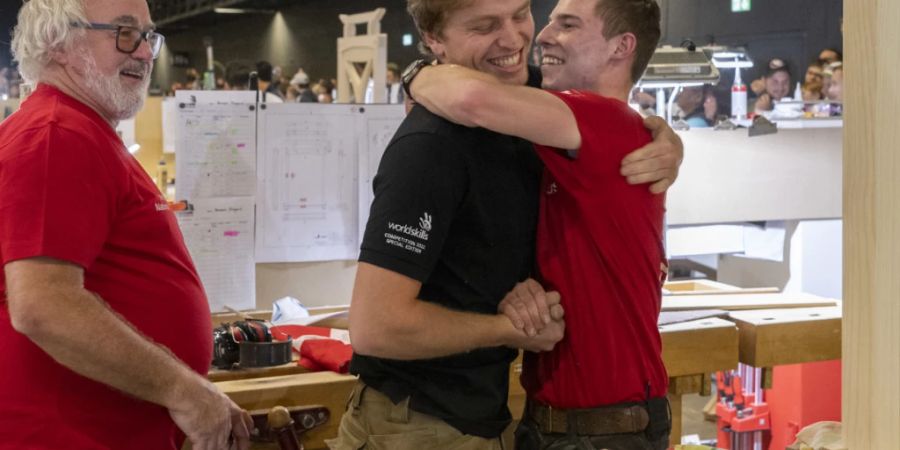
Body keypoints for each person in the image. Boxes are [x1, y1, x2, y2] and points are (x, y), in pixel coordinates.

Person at [328, 0, 683, 448]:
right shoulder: (431, 147)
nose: (519, 39)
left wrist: (666, 139)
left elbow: (605, 106)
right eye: (484, 26)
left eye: (521, 14)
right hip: (421, 421)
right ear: (436, 40)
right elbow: (375, 326)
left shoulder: (536, 107)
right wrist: (508, 329)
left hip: (498, 413)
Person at [0, 1, 252, 449]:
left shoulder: (83, 132)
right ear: (59, 44)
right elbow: (43, 305)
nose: (144, 52)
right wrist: (184, 390)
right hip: (68, 434)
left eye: (148, 35)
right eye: (124, 33)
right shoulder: (58, 135)